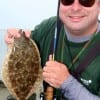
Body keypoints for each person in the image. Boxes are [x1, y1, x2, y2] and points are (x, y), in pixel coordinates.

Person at [4, 0, 100, 100]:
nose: (75, 8)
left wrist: (68, 83)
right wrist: (14, 39)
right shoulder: (48, 28)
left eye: (86, 1)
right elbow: (23, 59)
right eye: (67, 1)